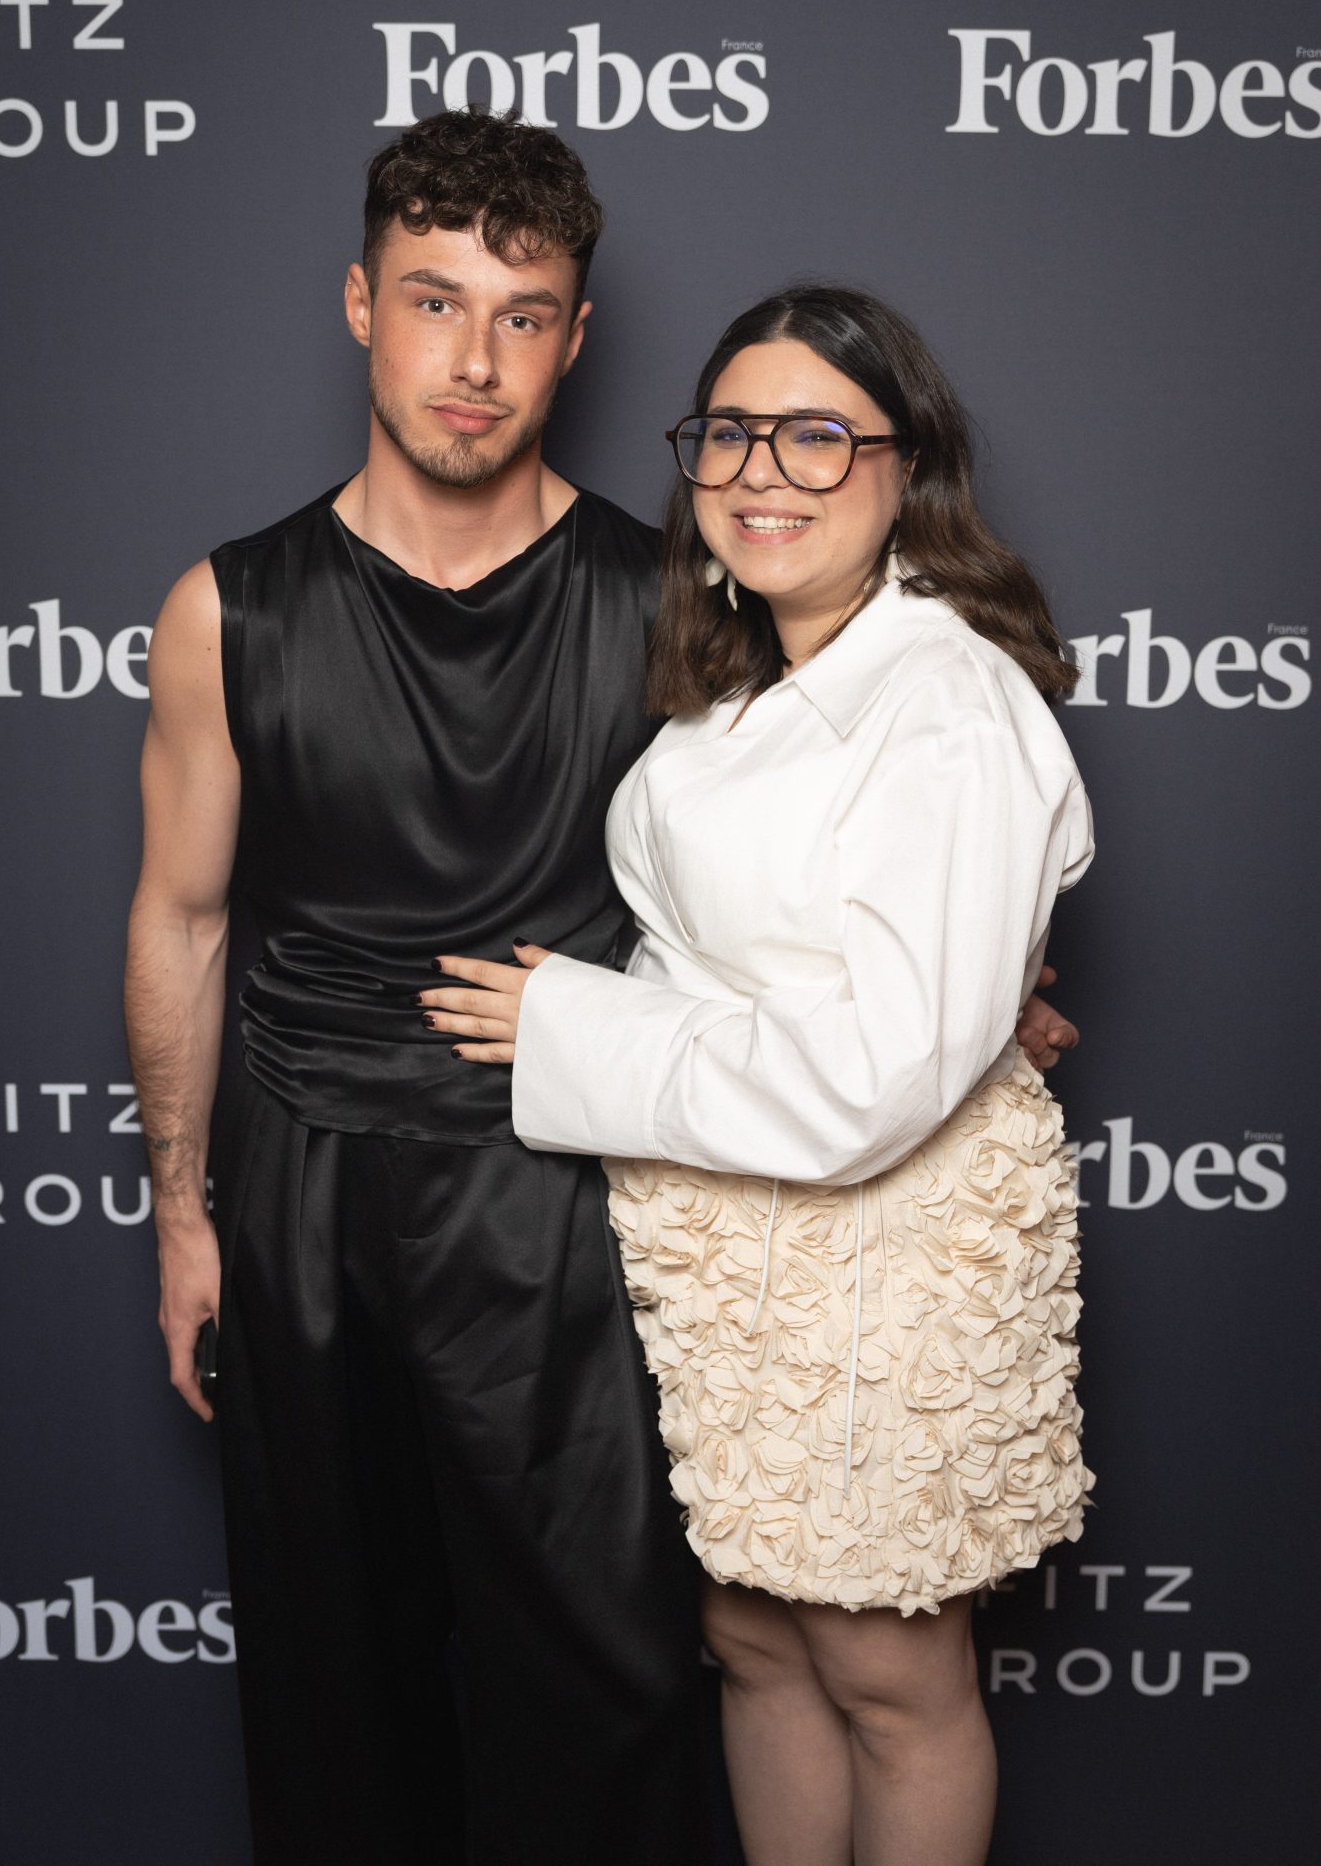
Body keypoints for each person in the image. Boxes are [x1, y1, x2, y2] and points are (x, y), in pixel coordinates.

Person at [125, 106, 1077, 1864]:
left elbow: (821, 845)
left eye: (524, 314)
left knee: (619, 1676)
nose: (472, 361)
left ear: (575, 335)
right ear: (358, 305)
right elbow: (181, 918)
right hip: (303, 1181)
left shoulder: (681, 597)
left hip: (569, 1200)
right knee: (341, 1675)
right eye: (431, 301)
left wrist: (987, 975)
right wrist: (184, 1211)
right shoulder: (226, 608)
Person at [422, 283, 1094, 1866]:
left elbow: (877, 1078)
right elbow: (767, 959)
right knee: (752, 1635)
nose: (762, 470)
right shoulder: (739, 686)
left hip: (886, 1239)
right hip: (734, 1244)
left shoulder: (939, 696)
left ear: (901, 464)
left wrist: (571, 1030)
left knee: (882, 1660)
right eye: (730, 431)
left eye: (815, 433)